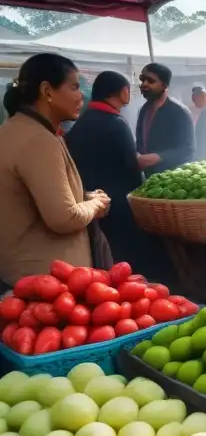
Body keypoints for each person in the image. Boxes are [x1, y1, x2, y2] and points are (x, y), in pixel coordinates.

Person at [0, 54, 111, 286]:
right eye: (74, 87)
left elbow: (35, 200)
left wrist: (86, 197)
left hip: (23, 276)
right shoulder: (38, 140)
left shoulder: (16, 129)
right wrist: (95, 204)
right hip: (47, 283)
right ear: (47, 91)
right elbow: (64, 218)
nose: (81, 95)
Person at [66, 71, 150, 267]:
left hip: (89, 202)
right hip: (118, 204)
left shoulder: (82, 122)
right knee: (125, 260)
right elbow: (132, 164)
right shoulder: (116, 123)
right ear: (122, 92)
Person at [136, 63, 195, 176]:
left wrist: (159, 157)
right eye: (142, 80)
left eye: (150, 81)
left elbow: (188, 149)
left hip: (172, 180)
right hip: (148, 179)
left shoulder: (179, 111)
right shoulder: (144, 109)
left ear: (164, 85)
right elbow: (141, 143)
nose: (144, 84)